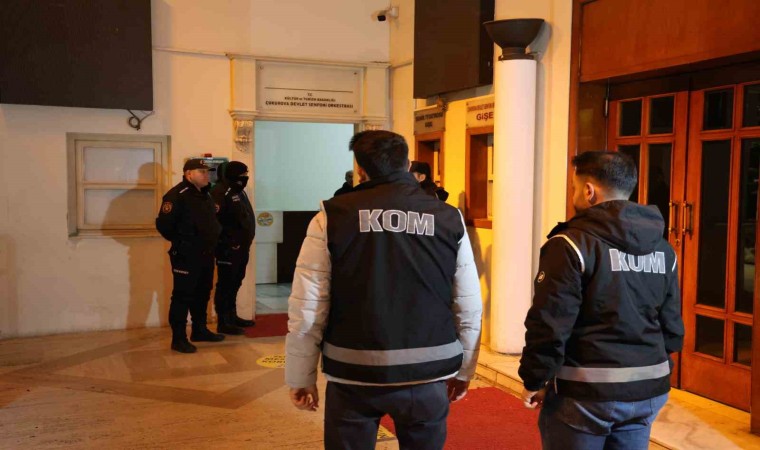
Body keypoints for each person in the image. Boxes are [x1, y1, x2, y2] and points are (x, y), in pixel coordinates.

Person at [285, 130, 482, 450]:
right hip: (427, 370)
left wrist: (300, 376)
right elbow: (468, 302)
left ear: (360, 170)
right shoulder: (448, 217)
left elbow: (308, 305)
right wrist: (465, 370)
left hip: (353, 371)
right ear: (407, 164)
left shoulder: (332, 216)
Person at [518, 151, 684, 450]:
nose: (573, 195)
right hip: (647, 388)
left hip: (585, 392)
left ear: (588, 191)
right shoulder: (663, 248)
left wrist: (536, 378)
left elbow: (550, 324)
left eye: (573, 187)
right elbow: (671, 326)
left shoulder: (569, 244)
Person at [156, 158, 226, 353]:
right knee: (182, 295)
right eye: (201, 172)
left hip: (206, 253)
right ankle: (178, 338)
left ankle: (199, 330)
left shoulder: (205, 194)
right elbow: (164, 225)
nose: (206, 175)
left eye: (208, 172)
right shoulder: (177, 195)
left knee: (203, 292)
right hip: (186, 255)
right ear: (188, 174)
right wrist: (184, 242)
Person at [210, 161, 256, 335]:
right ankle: (223, 321)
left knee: (236, 281)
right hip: (228, 248)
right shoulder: (221, 192)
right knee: (226, 284)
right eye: (242, 175)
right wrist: (227, 242)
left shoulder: (238, 191)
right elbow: (215, 222)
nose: (245, 178)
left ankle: (232, 316)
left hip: (241, 247)